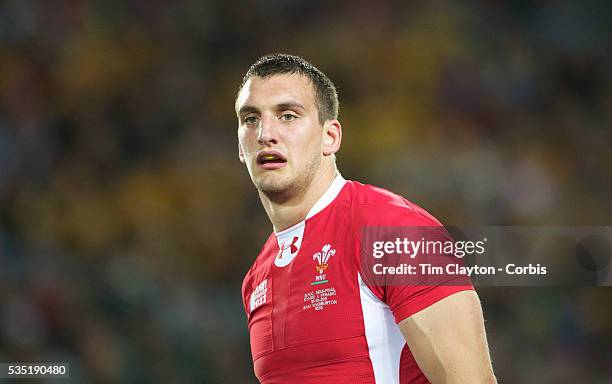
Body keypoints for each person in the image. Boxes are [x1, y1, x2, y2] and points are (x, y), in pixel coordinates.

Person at [236, 53, 496, 383]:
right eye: (250, 119)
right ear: (241, 147)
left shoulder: (394, 231)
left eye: (288, 115)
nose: (265, 134)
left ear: (330, 137)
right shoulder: (256, 278)